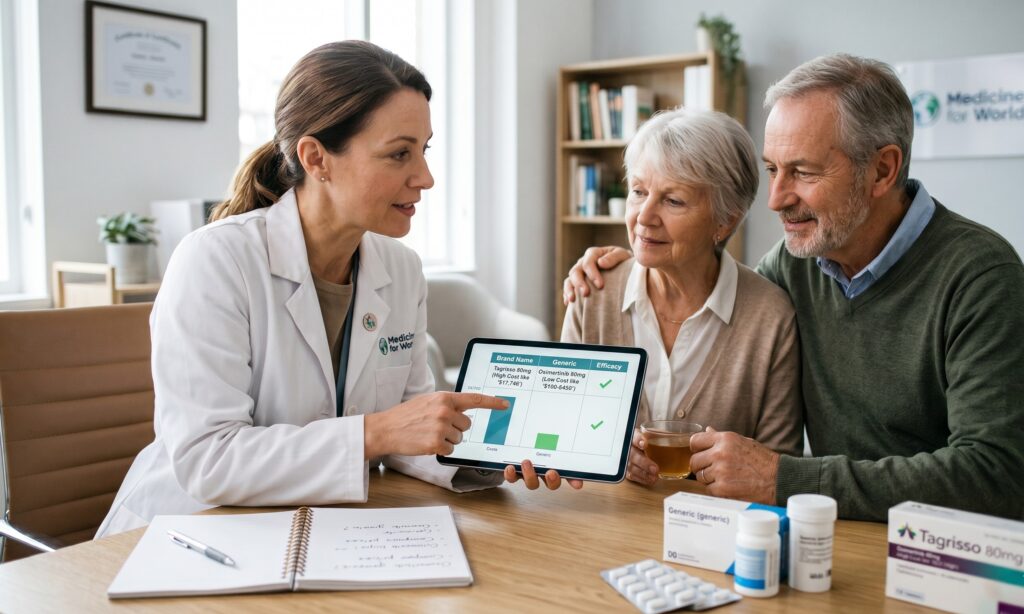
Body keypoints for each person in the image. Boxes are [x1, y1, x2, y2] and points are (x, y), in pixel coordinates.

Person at [98, 41, 573, 538]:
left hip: (320, 529)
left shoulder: (401, 269)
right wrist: (375, 432)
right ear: (316, 158)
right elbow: (208, 460)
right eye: (399, 154)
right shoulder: (215, 261)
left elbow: (406, 431)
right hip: (189, 535)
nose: (426, 178)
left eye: (424, 150)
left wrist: (489, 458)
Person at [563, 53, 1024, 521]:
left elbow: (997, 474)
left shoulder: (981, 277)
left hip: (949, 553)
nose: (776, 199)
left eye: (802, 172)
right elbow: (719, 285)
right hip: (828, 532)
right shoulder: (792, 268)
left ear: (883, 170)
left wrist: (785, 478)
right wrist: (628, 260)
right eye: (772, 170)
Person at [561, 108, 803, 486]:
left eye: (673, 201)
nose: (644, 217)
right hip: (605, 524)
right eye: (638, 192)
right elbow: (565, 432)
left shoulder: (771, 318)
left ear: (725, 221)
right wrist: (610, 455)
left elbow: (777, 469)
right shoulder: (592, 294)